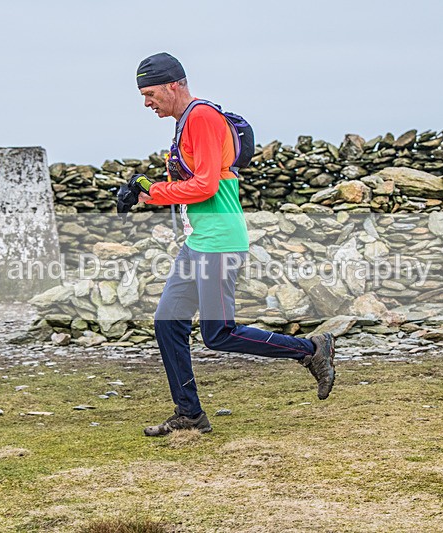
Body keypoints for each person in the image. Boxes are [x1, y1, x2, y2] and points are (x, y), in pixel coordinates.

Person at [133, 52, 335, 437]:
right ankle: (189, 414)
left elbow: (206, 185)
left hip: (220, 242)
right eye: (143, 95)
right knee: (167, 323)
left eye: (151, 93)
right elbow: (190, 185)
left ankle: (311, 350)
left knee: (219, 333)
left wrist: (156, 193)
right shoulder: (183, 123)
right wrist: (142, 190)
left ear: (175, 84)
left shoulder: (203, 118)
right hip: (199, 242)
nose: (147, 103)